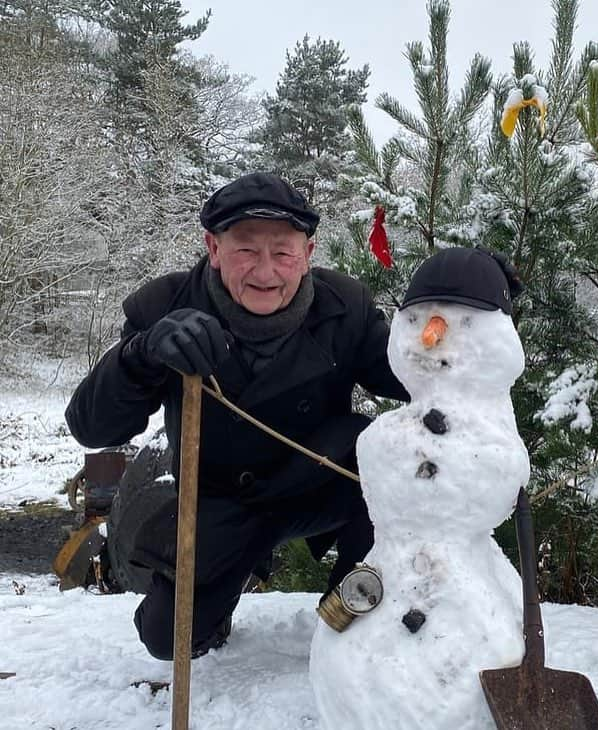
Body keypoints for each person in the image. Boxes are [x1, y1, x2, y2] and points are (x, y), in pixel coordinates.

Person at [65, 172, 409, 660]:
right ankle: (222, 594)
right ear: (213, 246)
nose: (266, 272)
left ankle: (350, 615)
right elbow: (92, 427)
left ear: (308, 253)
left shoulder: (345, 307)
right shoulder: (166, 305)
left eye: (283, 252)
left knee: (391, 465)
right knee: (171, 639)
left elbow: (415, 376)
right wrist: (141, 355)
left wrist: (467, 301)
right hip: (223, 502)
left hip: (321, 482)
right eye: (246, 250)